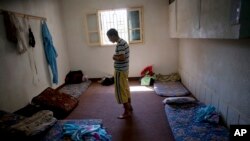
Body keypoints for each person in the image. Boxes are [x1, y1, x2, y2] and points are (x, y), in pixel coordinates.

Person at [106, 28, 133, 119]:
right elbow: (122, 56)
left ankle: (127, 112)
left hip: (120, 71)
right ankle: (130, 107)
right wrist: (116, 56)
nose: (109, 40)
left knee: (121, 92)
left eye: (109, 38)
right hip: (124, 70)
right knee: (125, 89)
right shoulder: (123, 42)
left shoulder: (120, 44)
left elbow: (122, 57)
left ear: (113, 35)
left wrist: (114, 57)